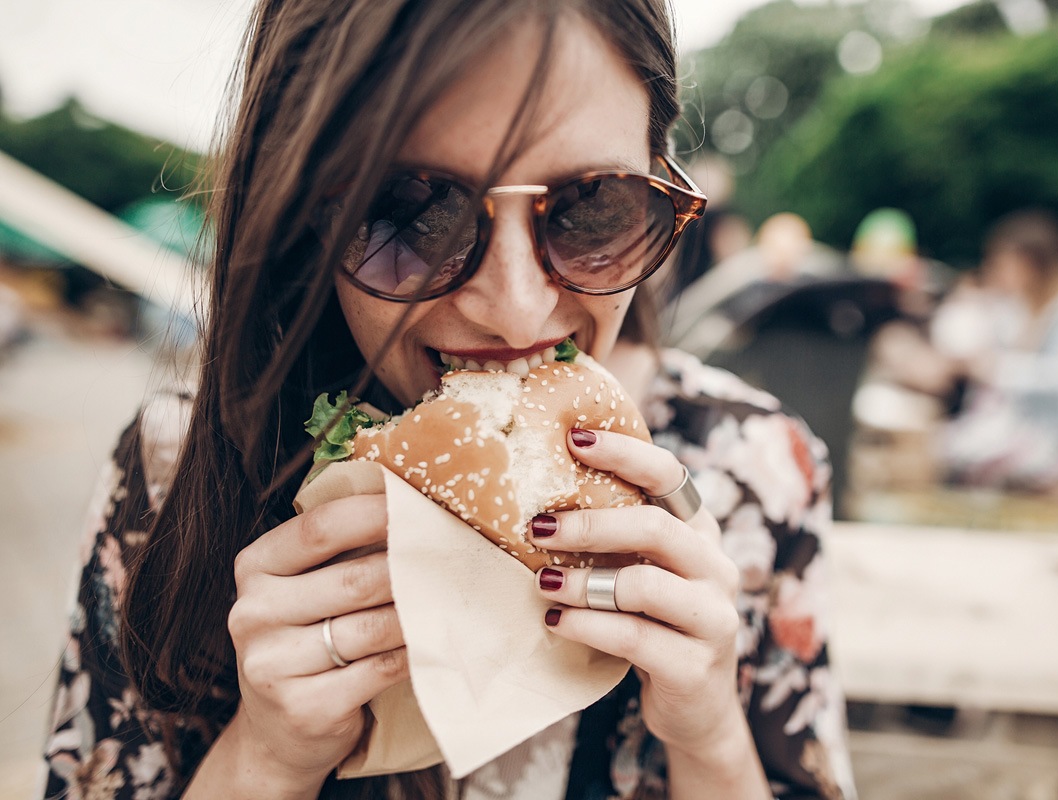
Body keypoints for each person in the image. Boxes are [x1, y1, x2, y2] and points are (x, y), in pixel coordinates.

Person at [42, 2, 856, 799]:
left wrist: (710, 736)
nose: (515, 309)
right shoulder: (169, 470)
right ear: (297, 217)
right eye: (411, 214)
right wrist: (265, 758)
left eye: (593, 206)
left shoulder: (761, 472)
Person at [939, 210, 1058, 491]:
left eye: (1003, 263)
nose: (996, 271)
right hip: (1021, 431)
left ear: (1033, 263)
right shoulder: (1021, 306)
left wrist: (995, 369)